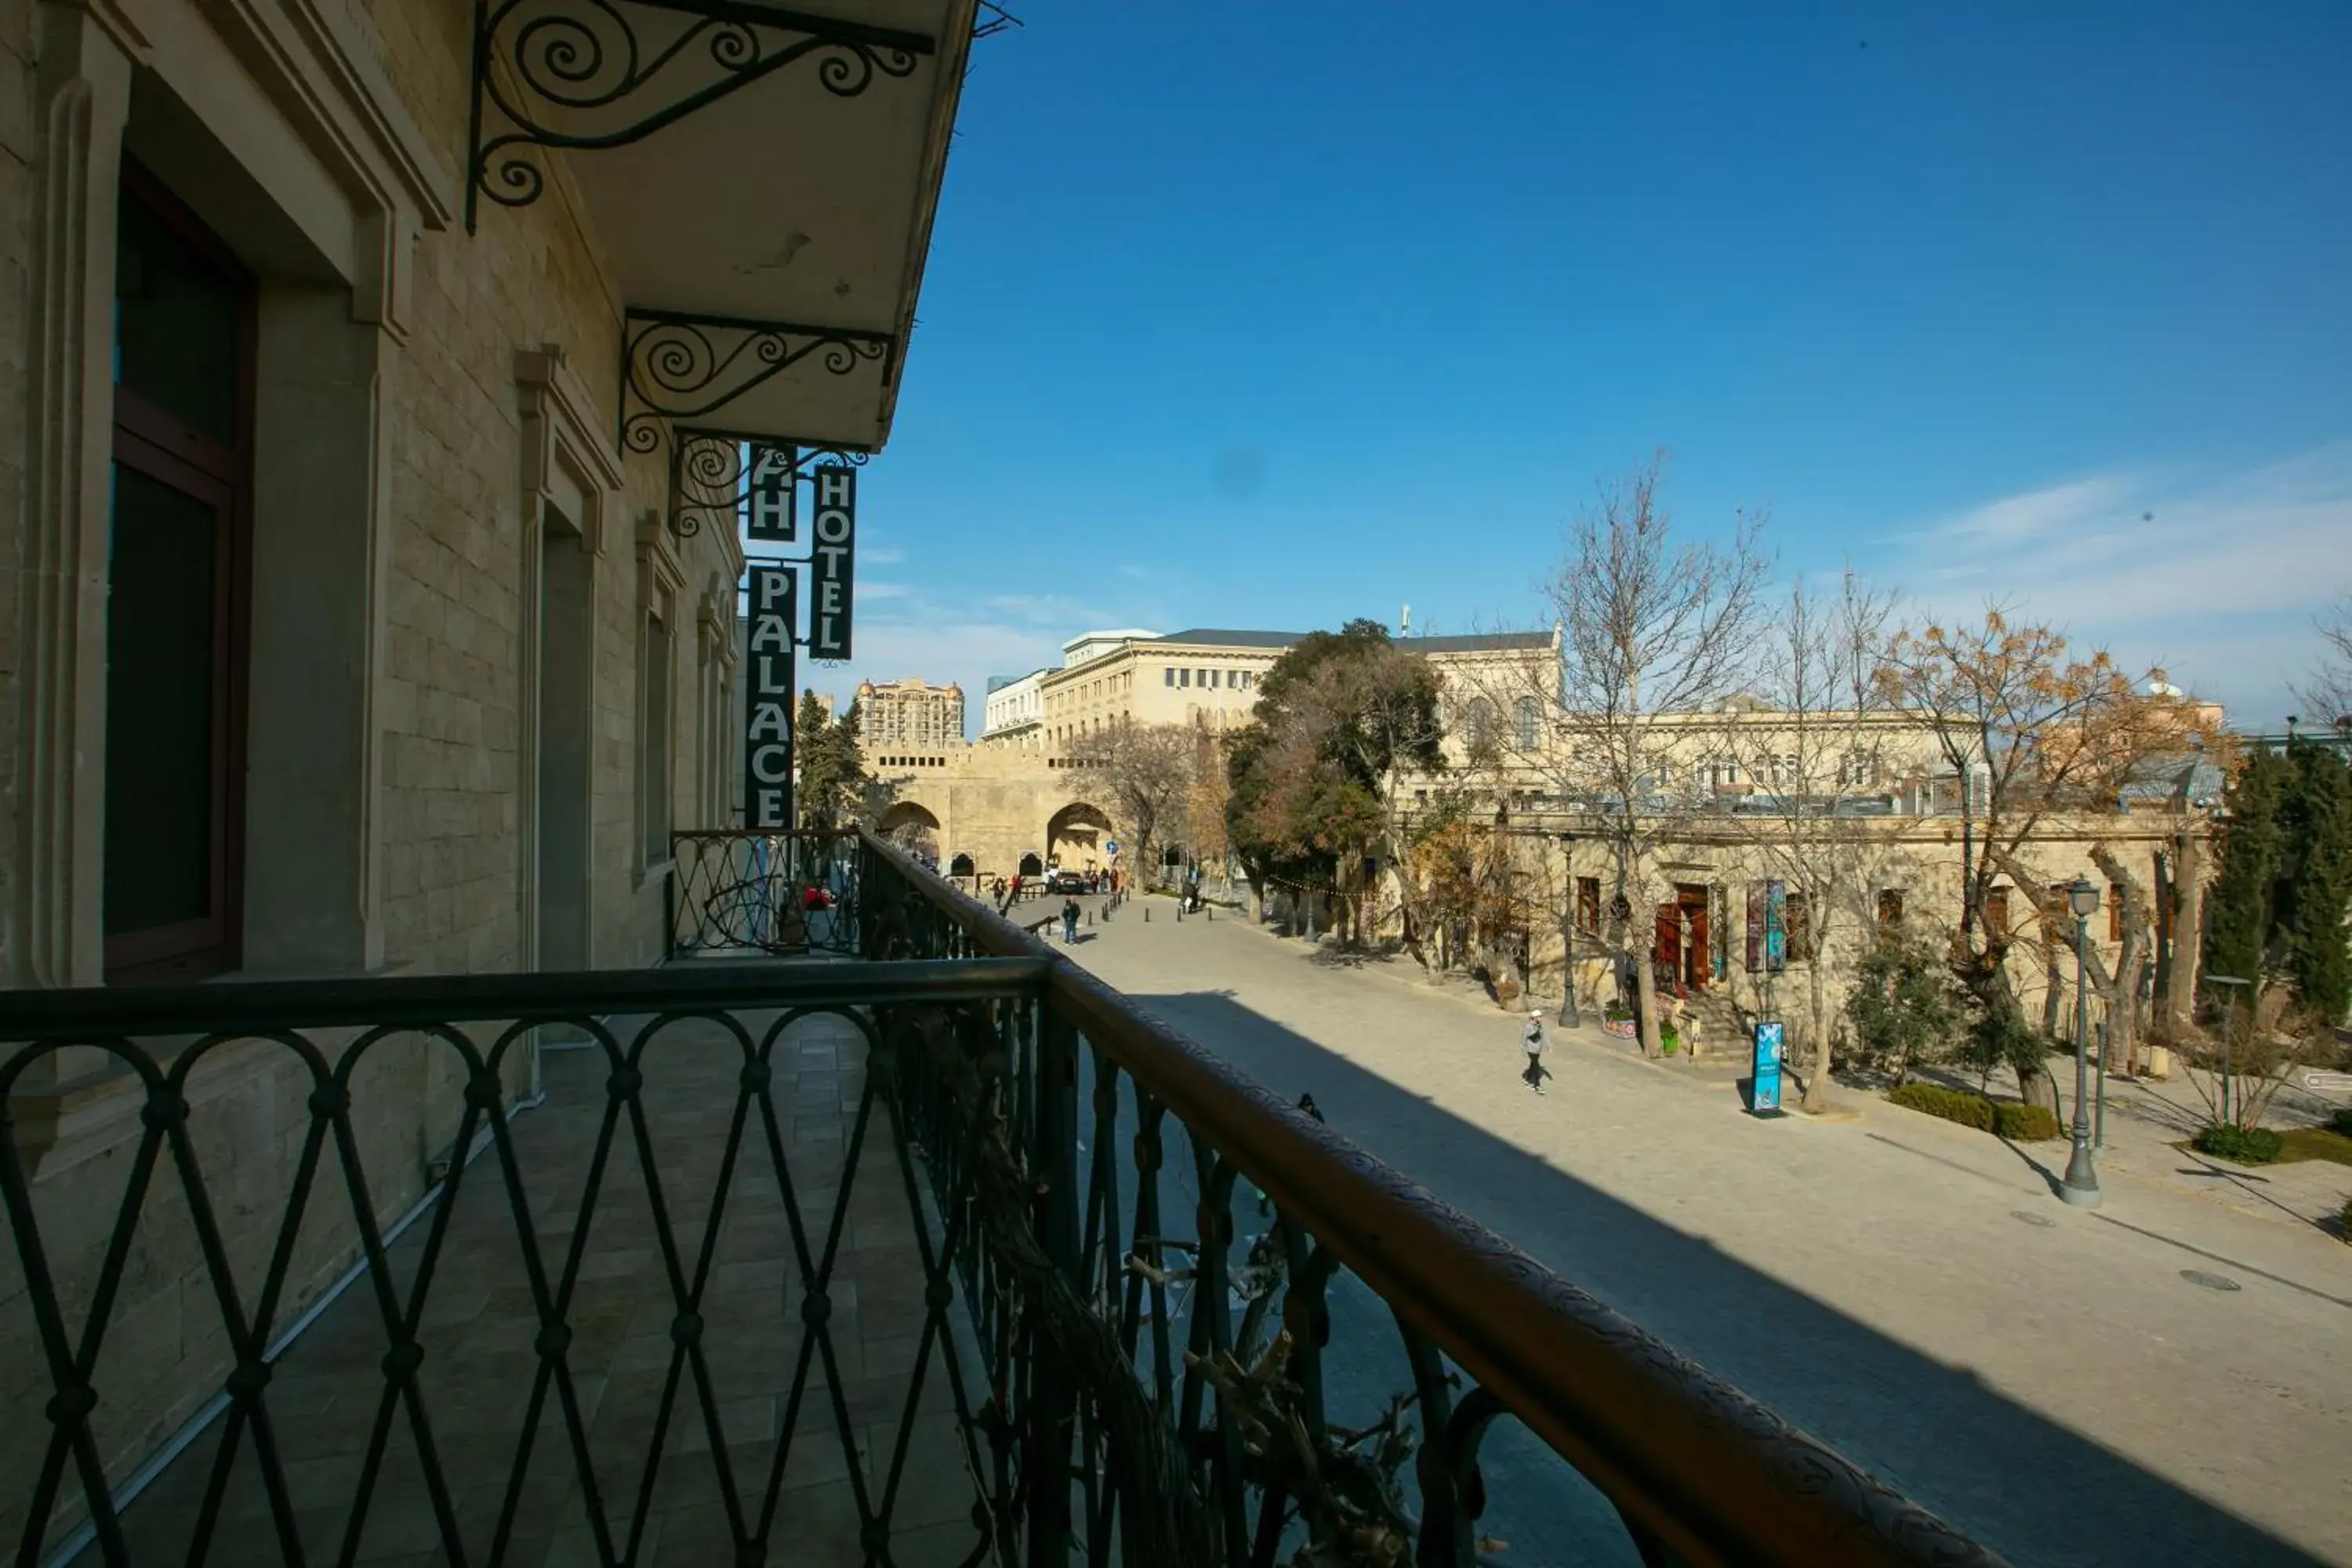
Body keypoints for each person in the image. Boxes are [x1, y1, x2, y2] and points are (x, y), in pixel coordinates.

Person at [1522, 1008, 1549, 1094]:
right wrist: (1523, 1048)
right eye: (1539, 1017)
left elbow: (1544, 1036)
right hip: (1531, 1050)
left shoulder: (1540, 1027)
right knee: (1536, 1066)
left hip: (1538, 1050)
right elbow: (1525, 1037)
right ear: (1535, 1018)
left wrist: (1548, 1046)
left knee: (1533, 1065)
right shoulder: (1528, 1027)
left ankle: (1528, 1080)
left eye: (1541, 1017)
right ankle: (1537, 1085)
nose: (1540, 1019)